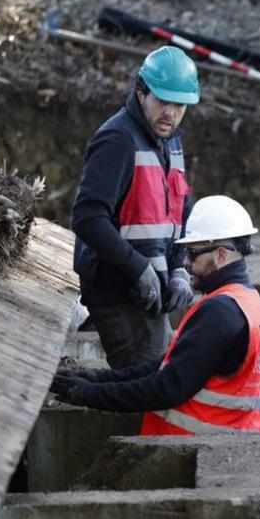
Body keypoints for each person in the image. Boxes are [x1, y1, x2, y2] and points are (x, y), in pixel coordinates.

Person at [52, 195, 260, 435]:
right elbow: (169, 366)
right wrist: (98, 378)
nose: (186, 263)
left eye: (193, 253)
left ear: (221, 255)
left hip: (196, 445)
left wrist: (87, 394)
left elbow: (167, 387)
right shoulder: (247, 299)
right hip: (228, 438)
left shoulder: (219, 312)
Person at [71, 45, 200, 369]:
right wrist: (137, 267)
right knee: (145, 383)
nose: (170, 112)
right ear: (140, 91)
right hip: (118, 290)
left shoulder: (170, 142)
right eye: (162, 101)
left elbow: (179, 212)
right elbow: (87, 217)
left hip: (150, 288)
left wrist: (180, 268)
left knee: (163, 371)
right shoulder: (117, 140)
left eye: (180, 104)